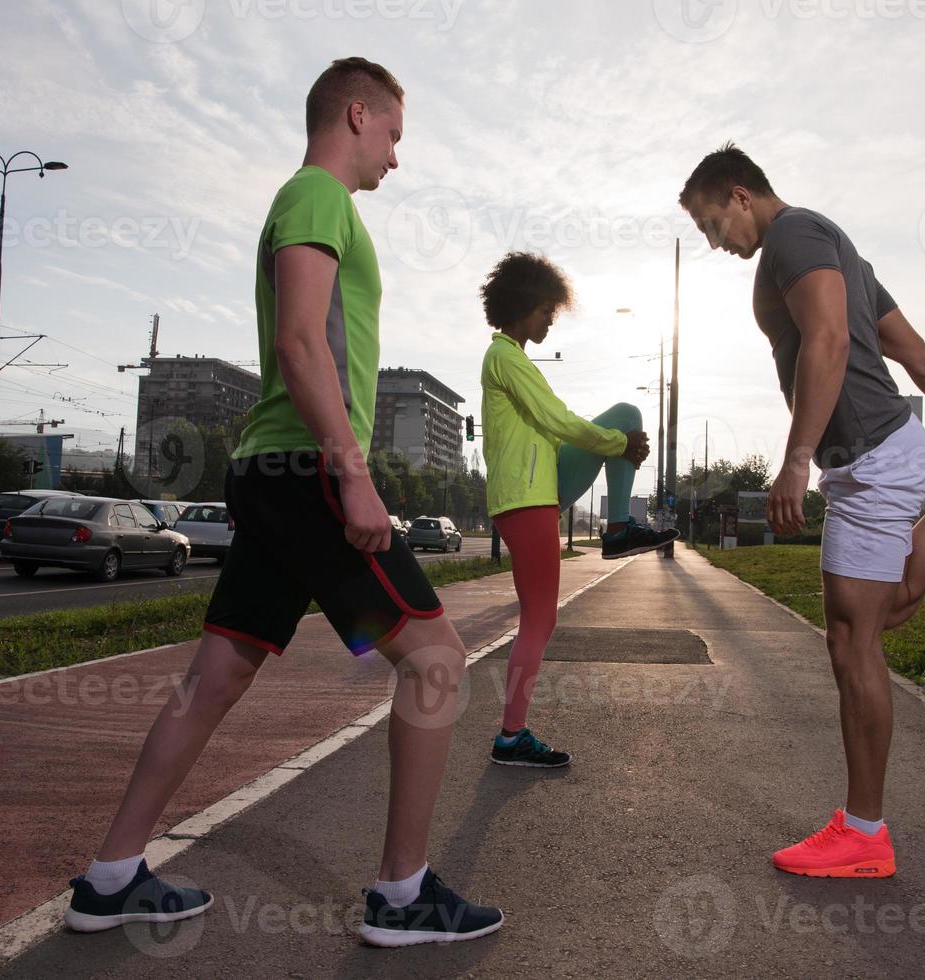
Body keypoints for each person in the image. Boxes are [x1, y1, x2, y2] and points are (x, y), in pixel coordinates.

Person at [64, 57, 502, 948]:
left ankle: (109, 878)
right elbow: (301, 342)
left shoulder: (311, 201)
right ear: (355, 113)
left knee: (216, 676)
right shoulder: (316, 195)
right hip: (305, 467)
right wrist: (352, 470)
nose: (395, 158)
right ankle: (401, 894)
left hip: (270, 470)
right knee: (436, 663)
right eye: (392, 136)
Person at [678, 144, 925, 878]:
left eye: (709, 224)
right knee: (871, 621)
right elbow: (910, 351)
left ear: (738, 195)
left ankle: (862, 834)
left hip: (868, 453)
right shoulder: (833, 245)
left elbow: (827, 341)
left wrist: (794, 459)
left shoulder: (792, 237)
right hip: (876, 454)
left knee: (855, 641)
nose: (713, 242)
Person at [479, 251, 679, 768]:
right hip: (526, 499)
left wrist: (616, 441)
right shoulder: (503, 356)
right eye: (546, 309)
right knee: (538, 622)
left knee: (628, 414)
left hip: (540, 485)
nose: (550, 319)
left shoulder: (514, 358)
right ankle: (510, 736)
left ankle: (617, 527)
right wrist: (617, 445)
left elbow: (554, 427)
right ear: (524, 304)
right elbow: (558, 419)